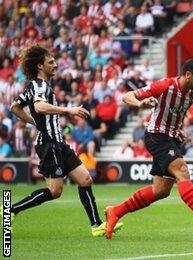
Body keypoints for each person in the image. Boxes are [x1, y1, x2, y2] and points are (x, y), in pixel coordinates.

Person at [104, 59, 193, 239]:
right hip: (156, 135)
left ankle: (115, 211)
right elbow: (127, 96)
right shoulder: (164, 86)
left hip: (172, 137)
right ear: (187, 75)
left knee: (160, 190)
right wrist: (140, 104)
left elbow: (179, 110)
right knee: (182, 171)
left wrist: (178, 129)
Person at [9, 45, 122, 237]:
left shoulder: (37, 86)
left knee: (85, 179)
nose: (55, 65)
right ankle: (11, 210)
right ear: (39, 66)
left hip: (58, 143)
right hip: (48, 143)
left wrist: (35, 121)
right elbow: (39, 106)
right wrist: (68, 110)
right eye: (50, 62)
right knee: (55, 191)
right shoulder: (39, 86)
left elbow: (14, 107)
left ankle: (96, 225)